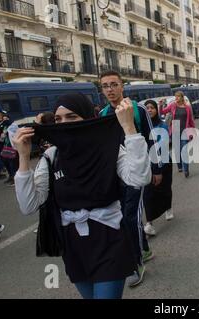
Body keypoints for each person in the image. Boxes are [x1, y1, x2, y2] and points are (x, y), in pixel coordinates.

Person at [13, 93, 152, 299]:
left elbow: (140, 178)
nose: (63, 124)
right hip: (73, 246)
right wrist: (23, 158)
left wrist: (129, 129)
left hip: (109, 239)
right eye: (59, 119)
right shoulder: (52, 156)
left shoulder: (109, 149)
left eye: (72, 117)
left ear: (87, 119)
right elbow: (28, 206)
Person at [98, 70, 161, 287]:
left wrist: (157, 168)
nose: (110, 89)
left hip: (138, 171)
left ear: (122, 86)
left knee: (129, 218)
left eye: (113, 84)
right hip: (116, 174)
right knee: (127, 217)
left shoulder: (138, 109)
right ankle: (145, 250)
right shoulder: (103, 113)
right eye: (105, 86)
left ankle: (135, 265)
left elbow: (153, 140)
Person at [143, 100, 174, 236]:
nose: (149, 110)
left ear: (156, 110)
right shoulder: (141, 126)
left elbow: (164, 144)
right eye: (147, 108)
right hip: (147, 164)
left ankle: (168, 207)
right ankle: (149, 223)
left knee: (165, 188)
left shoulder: (162, 125)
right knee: (149, 194)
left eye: (152, 108)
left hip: (164, 161)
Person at [160, 91, 196, 178]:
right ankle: (179, 166)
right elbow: (162, 112)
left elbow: (191, 120)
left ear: (182, 97)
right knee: (177, 150)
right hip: (175, 130)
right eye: (175, 96)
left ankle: (186, 169)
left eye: (178, 96)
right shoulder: (173, 106)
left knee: (183, 150)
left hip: (184, 131)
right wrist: (160, 105)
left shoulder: (187, 108)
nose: (176, 98)